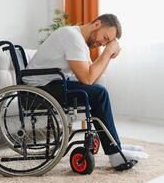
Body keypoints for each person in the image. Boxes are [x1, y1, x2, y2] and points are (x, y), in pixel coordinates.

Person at [23, 14, 148, 169]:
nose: (102, 44)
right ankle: (115, 153)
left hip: (51, 85)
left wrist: (108, 56)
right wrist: (107, 52)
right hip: (37, 91)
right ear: (97, 24)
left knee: (98, 90)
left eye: (107, 43)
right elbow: (87, 79)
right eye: (105, 37)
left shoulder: (79, 41)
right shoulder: (72, 37)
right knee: (99, 93)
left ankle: (115, 145)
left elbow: (93, 79)